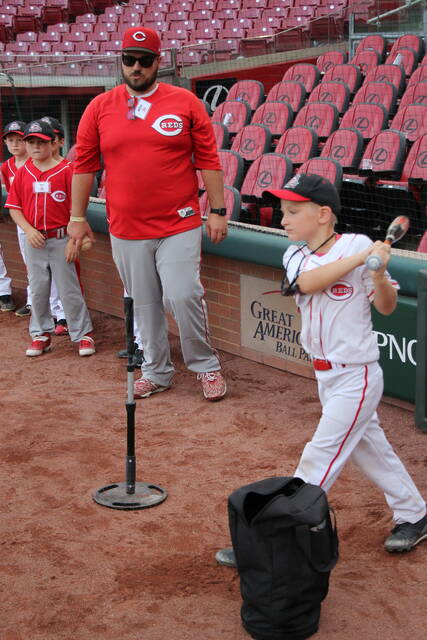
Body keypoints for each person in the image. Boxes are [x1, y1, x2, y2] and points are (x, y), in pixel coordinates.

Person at [216, 174, 426, 567]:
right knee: (369, 448)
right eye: (284, 212)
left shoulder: (358, 245)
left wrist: (378, 275)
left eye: (294, 212)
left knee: (320, 456)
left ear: (324, 214)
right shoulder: (296, 254)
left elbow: (386, 306)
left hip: (357, 375)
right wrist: (363, 260)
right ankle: (415, 512)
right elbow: (309, 282)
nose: (284, 220)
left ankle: (269, 540)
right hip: (325, 376)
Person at [68, 26, 228, 401]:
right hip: (126, 226)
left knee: (183, 294)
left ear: (158, 61)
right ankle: (157, 371)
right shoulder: (100, 106)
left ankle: (205, 365)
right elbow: (84, 166)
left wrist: (217, 210)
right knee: (144, 304)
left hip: (179, 220)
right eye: (129, 60)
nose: (136, 67)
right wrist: (77, 218)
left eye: (144, 60)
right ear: (120, 61)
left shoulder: (185, 101)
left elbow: (208, 159)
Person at [4, 119, 95, 358]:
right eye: (30, 142)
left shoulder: (68, 170)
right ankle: (40, 334)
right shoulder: (23, 172)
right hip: (35, 239)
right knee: (38, 289)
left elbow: (79, 211)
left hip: (62, 237)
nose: (35, 147)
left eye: (41, 142)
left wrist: (75, 241)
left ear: (54, 143)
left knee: (69, 289)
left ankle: (83, 334)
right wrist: (28, 229)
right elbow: (14, 207)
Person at [0, 121, 28, 313]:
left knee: (42, 264)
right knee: (29, 260)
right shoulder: (6, 167)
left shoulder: (36, 163)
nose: (15, 144)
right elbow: (11, 196)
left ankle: (44, 305)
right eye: (11, 140)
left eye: (20, 139)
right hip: (21, 220)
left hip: (43, 219)